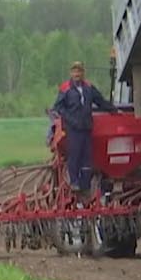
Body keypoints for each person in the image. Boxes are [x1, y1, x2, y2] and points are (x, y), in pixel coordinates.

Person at [49, 61, 113, 193]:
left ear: (83, 73)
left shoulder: (89, 88)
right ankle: (74, 182)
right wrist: (70, 119)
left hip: (86, 128)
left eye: (79, 71)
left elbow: (100, 102)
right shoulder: (65, 88)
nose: (77, 74)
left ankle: (85, 185)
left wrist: (114, 110)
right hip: (73, 129)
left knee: (87, 158)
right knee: (75, 155)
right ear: (71, 73)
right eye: (75, 71)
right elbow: (58, 107)